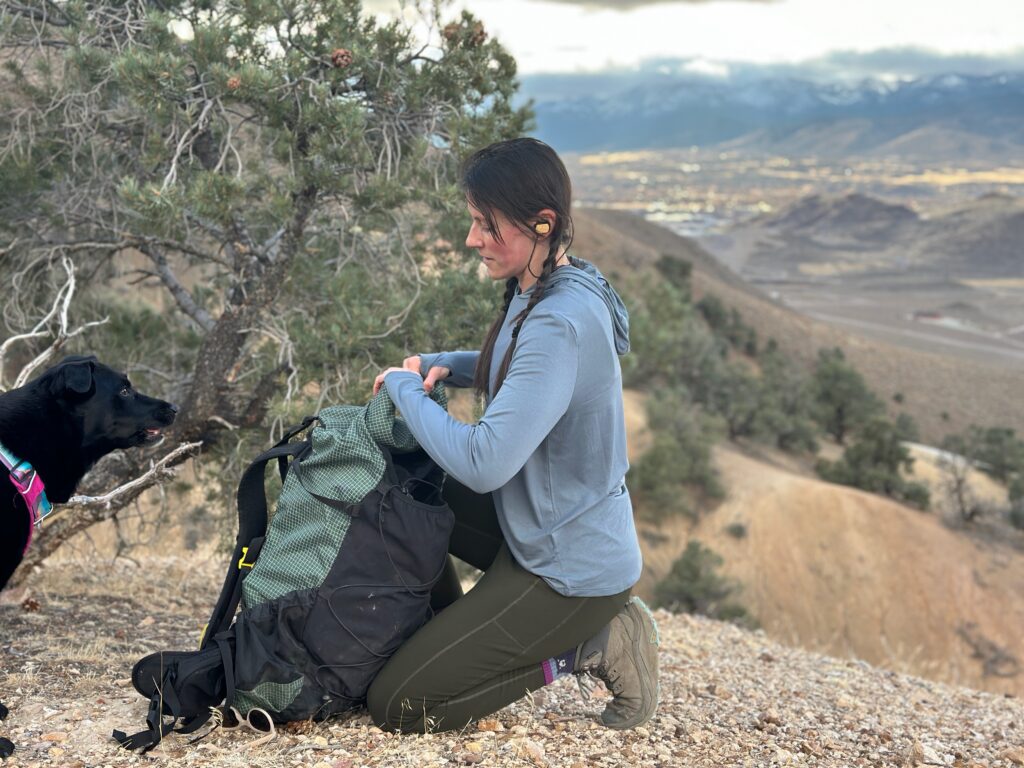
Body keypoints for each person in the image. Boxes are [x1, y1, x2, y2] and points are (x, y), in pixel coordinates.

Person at [366, 137, 658, 734]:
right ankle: (440, 632)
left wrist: (404, 389)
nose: (473, 239)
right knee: (407, 488)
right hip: (545, 524)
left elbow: (484, 462)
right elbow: (530, 369)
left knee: (399, 706)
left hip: (567, 573)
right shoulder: (558, 282)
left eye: (486, 225)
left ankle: (594, 644)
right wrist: (450, 362)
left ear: (541, 225)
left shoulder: (560, 319)